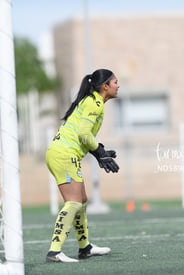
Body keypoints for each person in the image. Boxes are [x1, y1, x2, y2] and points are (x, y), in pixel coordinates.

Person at [45, 69, 120, 263]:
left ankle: (84, 247)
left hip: (64, 153)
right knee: (73, 202)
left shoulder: (93, 101)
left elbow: (84, 137)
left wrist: (99, 153)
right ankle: (54, 251)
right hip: (64, 154)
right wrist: (100, 153)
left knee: (82, 200)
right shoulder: (95, 103)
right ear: (105, 86)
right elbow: (84, 135)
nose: (118, 86)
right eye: (115, 82)